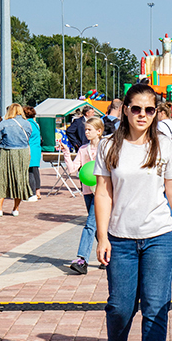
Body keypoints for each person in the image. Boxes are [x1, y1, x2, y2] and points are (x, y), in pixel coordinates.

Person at [93, 83, 172, 341]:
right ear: (125, 110)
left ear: (156, 112)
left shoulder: (164, 145)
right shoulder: (108, 145)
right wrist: (102, 235)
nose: (142, 115)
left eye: (149, 110)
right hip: (120, 240)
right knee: (120, 307)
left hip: (158, 238)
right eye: (136, 108)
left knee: (155, 308)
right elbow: (104, 192)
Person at [61, 117, 104, 274]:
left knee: (90, 225)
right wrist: (66, 152)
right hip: (87, 191)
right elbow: (73, 169)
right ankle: (107, 256)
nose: (86, 132)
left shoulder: (105, 148)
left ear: (99, 131)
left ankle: (82, 260)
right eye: (85, 129)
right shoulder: (83, 149)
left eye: (89, 130)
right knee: (98, 225)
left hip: (102, 192)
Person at [0, 103, 33, 217]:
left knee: (1, 179)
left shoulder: (4, 124)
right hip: (23, 153)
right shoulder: (27, 124)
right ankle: (16, 209)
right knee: (20, 180)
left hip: (6, 153)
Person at [24, 106, 42, 200]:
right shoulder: (35, 124)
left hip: (30, 149)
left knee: (30, 171)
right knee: (35, 171)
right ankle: (38, 191)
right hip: (36, 149)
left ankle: (32, 192)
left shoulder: (27, 124)